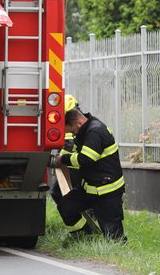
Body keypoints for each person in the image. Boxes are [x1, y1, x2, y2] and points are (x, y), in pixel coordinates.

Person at [53, 98, 127, 241]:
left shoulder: (95, 132)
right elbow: (74, 151)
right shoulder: (84, 132)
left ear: (79, 123)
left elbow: (85, 159)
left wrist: (63, 160)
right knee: (66, 206)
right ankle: (85, 237)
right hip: (91, 190)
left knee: (113, 235)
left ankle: (117, 249)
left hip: (107, 192)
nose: (73, 135)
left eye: (72, 131)